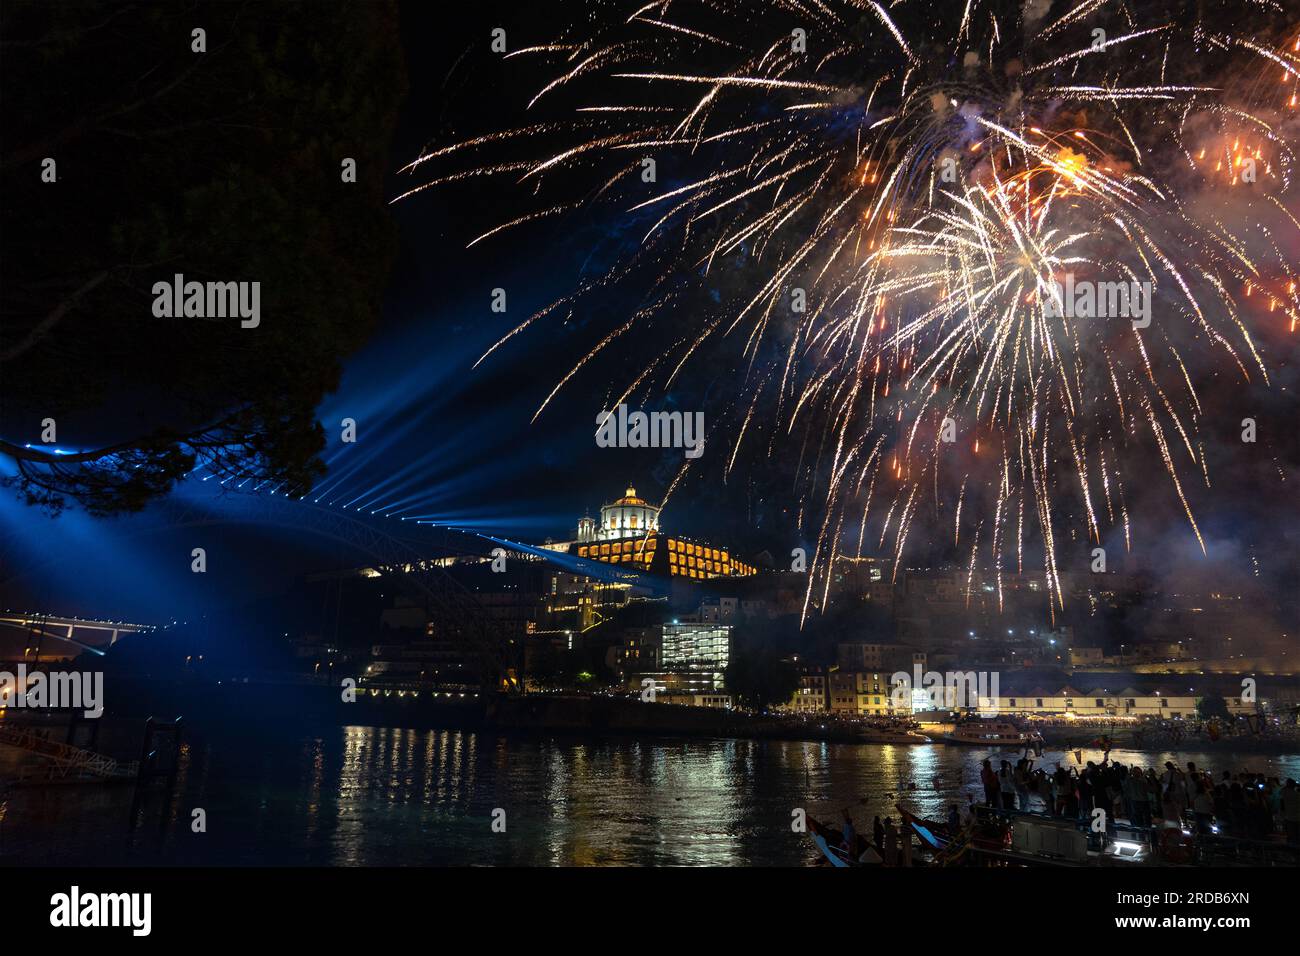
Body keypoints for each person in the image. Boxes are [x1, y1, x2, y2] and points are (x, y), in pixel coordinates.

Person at [1282, 779, 1300, 846]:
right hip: (1297, 817)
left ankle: (1290, 847)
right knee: (1297, 835)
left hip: (1288, 817)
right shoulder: (1297, 795)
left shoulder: (1284, 793)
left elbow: (1281, 790)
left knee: (1290, 835)